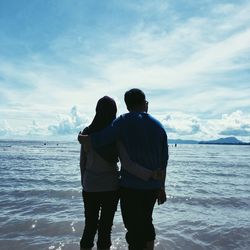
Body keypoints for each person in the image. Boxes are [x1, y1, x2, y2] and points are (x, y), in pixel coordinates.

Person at [79, 89, 168, 250]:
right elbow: (162, 161)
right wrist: (161, 185)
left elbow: (86, 158)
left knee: (94, 226)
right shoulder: (156, 127)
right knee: (142, 222)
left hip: (112, 187)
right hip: (131, 187)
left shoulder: (113, 125)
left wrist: (84, 139)